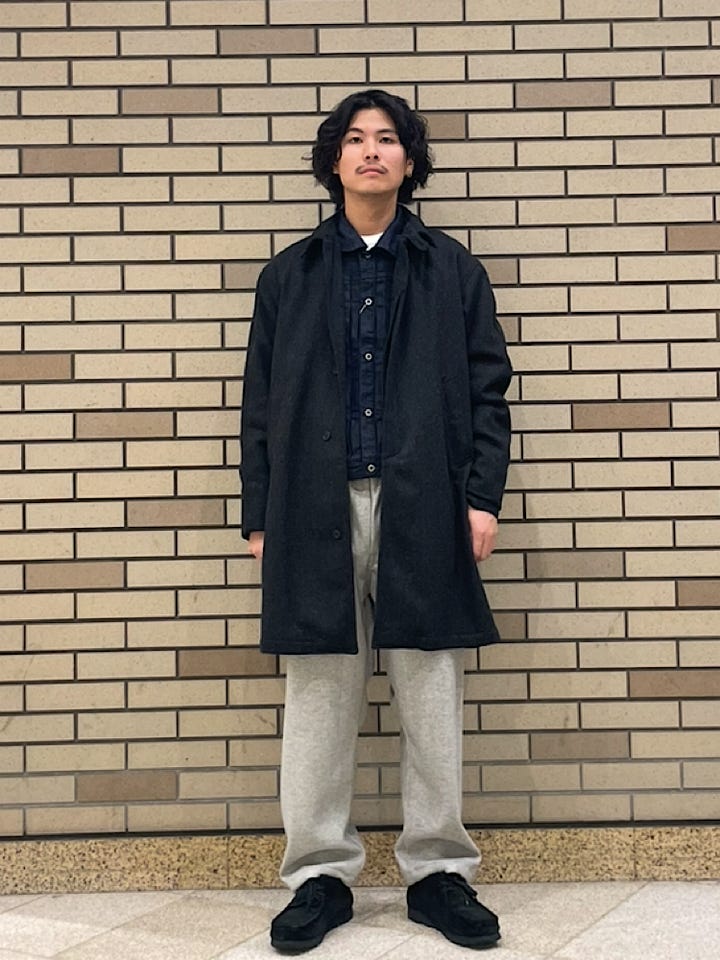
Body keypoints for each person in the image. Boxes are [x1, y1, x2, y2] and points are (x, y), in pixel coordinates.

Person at [240, 89, 512, 954]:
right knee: (319, 699)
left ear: (408, 160)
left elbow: (489, 391)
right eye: (354, 139)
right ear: (334, 161)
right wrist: (260, 514)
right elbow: (258, 405)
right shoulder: (290, 275)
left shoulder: (450, 269)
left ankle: (439, 874)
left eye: (387, 139)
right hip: (311, 506)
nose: (370, 151)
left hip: (423, 505)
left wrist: (481, 498)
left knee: (431, 693)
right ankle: (319, 876)